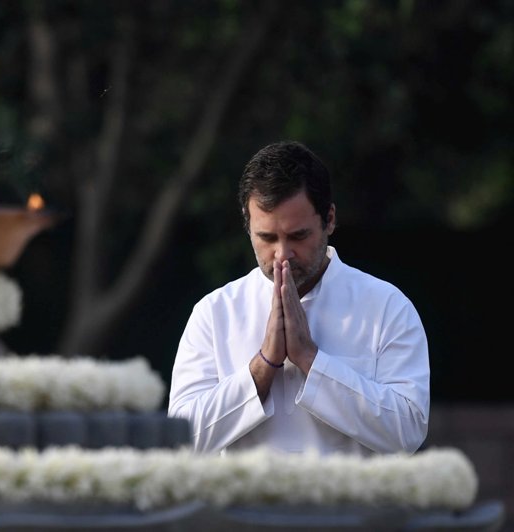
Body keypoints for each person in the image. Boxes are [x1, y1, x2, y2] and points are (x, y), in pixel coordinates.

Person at [168, 140, 429, 456]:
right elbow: (181, 440)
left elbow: (408, 433)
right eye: (266, 237)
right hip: (244, 491)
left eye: (298, 236)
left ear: (329, 219)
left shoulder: (386, 307)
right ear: (247, 225)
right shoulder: (215, 313)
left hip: (348, 491)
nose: (282, 254)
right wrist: (263, 365)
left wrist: (310, 358)